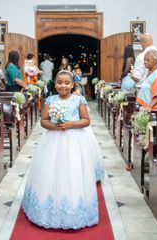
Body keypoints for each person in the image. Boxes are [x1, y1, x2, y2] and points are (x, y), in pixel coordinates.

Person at [22, 70, 104, 229]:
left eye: (67, 83)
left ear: (73, 85)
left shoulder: (79, 99)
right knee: (51, 171)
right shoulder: (50, 100)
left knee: (73, 171)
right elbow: (44, 121)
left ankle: (73, 209)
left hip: (74, 140)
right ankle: (47, 209)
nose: (63, 86)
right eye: (59, 82)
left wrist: (71, 124)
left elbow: (86, 120)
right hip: (53, 140)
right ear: (55, 83)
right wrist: (55, 126)